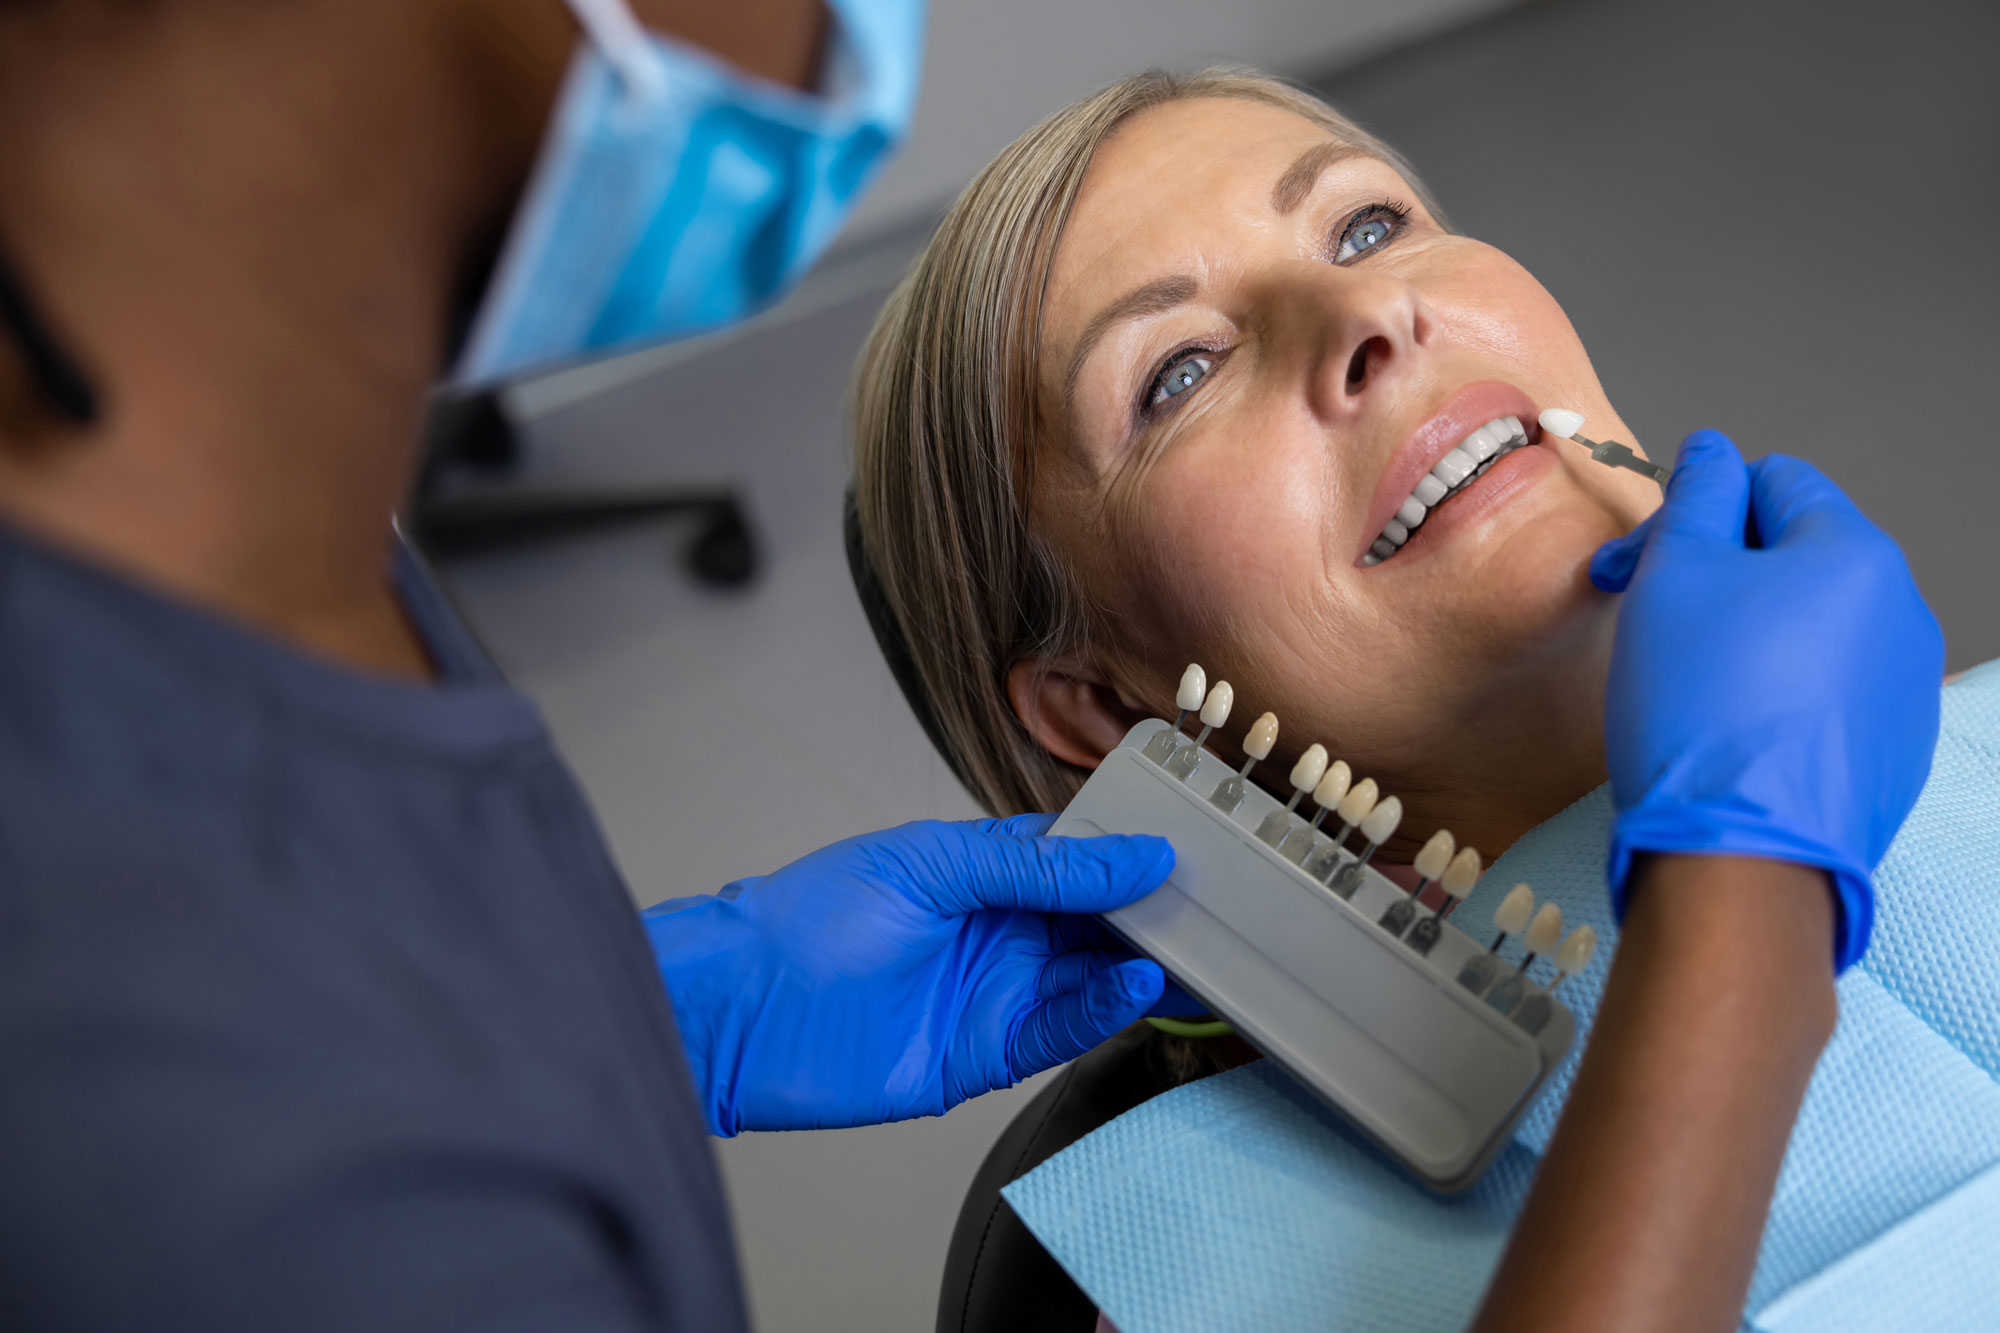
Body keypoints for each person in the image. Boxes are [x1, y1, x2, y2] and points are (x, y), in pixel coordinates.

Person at [849, 68, 1957, 1331]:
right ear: (1105, 711)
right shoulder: (1177, 1282)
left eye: (1365, 228)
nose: (1365, 306)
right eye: (1179, 372)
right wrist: (1748, 874)